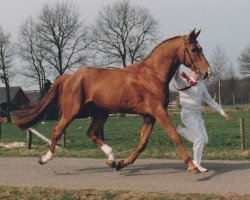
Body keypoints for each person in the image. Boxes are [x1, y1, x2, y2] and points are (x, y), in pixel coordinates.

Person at [174, 69, 231, 172]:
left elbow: (210, 100)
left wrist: (222, 112)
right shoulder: (183, 81)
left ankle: (180, 130)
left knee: (205, 140)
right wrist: (177, 64)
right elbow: (176, 76)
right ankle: (196, 164)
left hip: (197, 115)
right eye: (196, 72)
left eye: (199, 73)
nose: (198, 74)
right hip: (187, 113)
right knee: (199, 138)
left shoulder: (201, 86)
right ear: (191, 71)